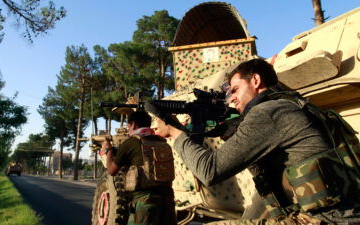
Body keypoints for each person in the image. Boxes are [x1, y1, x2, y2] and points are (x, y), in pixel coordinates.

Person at [154, 58, 360, 224]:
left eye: (234, 90)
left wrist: (174, 131)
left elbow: (209, 171)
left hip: (323, 219)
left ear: (255, 80)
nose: (231, 99)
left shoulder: (268, 112)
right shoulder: (294, 104)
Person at [101, 110, 177, 225]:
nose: (129, 130)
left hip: (145, 203)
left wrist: (108, 150)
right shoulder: (162, 142)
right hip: (167, 201)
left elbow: (111, 170)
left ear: (133, 124)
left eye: (128, 126)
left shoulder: (131, 142)